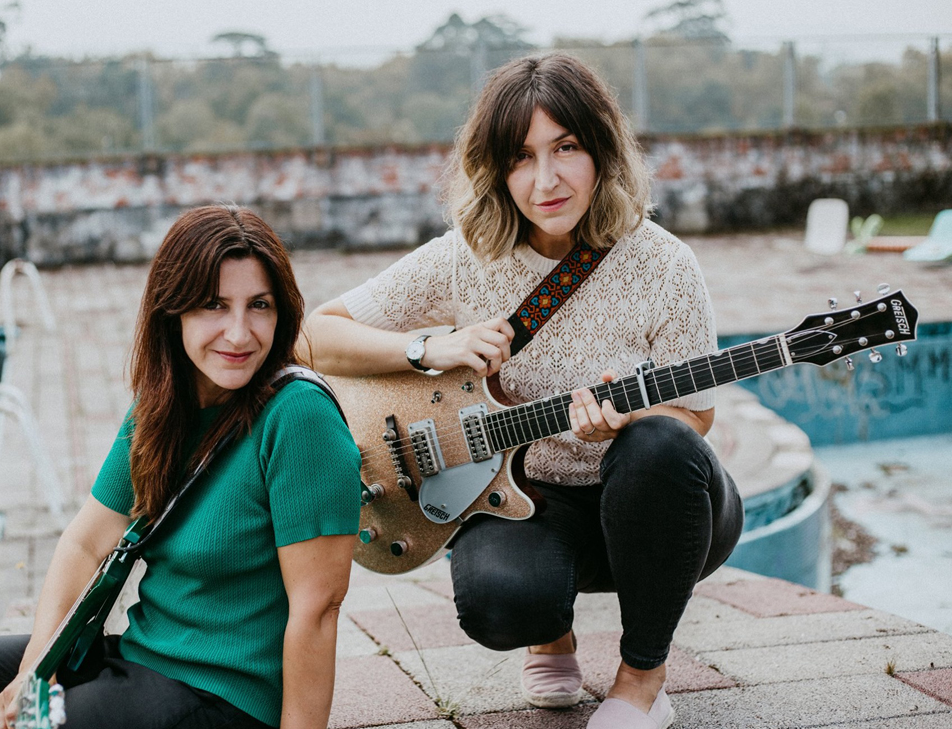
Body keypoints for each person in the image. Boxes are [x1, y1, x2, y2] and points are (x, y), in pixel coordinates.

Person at [303, 53, 742, 729]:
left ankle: (641, 681)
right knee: (499, 604)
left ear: (601, 149)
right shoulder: (464, 259)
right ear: (496, 171)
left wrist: (625, 423)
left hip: (662, 511)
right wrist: (428, 348)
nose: (546, 179)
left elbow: (698, 418)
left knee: (659, 441)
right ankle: (550, 634)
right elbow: (314, 335)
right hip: (528, 501)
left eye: (566, 147)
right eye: (521, 157)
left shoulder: (664, 264)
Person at [0, 206, 362, 729]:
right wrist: (35, 670)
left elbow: (318, 608)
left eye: (259, 306)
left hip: (226, 697)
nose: (238, 334)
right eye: (215, 305)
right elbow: (84, 542)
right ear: (175, 310)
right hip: (139, 659)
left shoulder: (299, 416)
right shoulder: (164, 406)